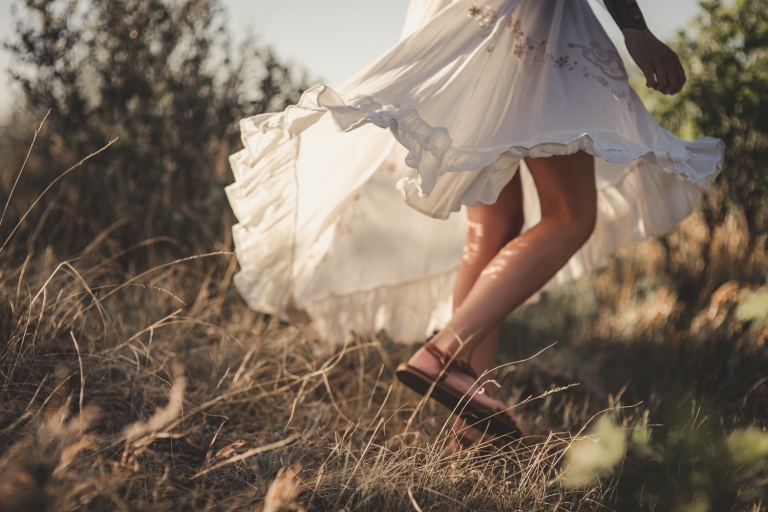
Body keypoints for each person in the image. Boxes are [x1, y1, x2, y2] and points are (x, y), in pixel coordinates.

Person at [226, 0, 723, 452]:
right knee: (570, 217)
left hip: (463, 17)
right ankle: (446, 353)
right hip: (531, 19)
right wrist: (633, 27)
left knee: (493, 228)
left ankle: (470, 425)